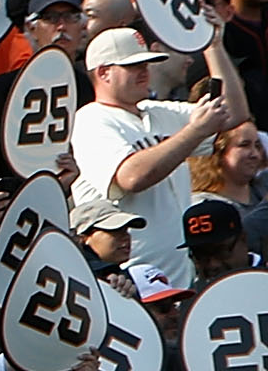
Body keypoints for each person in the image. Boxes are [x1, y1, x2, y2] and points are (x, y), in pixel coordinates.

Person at [72, 25, 243, 288]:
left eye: (146, 63)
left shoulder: (157, 111)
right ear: (103, 72)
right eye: (133, 66)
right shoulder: (92, 120)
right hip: (129, 280)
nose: (144, 71)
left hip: (179, 274)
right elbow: (131, 177)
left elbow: (233, 113)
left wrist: (213, 46)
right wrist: (195, 132)